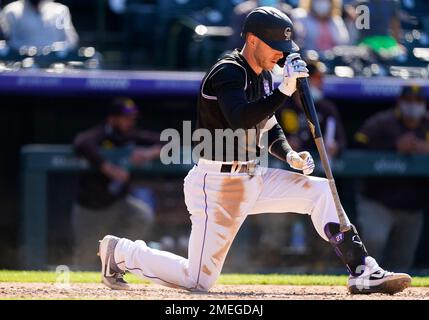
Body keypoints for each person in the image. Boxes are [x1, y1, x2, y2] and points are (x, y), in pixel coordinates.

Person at [98, 7, 411, 294]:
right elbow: (241, 119)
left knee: (320, 191)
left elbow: (268, 124)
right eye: (276, 46)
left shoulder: (263, 74)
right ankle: (121, 252)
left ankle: (361, 270)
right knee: (198, 281)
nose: (281, 54)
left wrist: (288, 154)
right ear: (252, 39)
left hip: (253, 175)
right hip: (217, 185)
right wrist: (284, 91)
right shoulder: (227, 71)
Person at [72, 97, 162, 270]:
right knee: (86, 254)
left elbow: (167, 141)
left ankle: (121, 255)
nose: (130, 121)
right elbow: (81, 142)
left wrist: (148, 153)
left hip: (117, 203)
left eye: (132, 118)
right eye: (125, 117)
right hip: (89, 206)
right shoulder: (100, 135)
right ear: (112, 118)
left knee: (142, 216)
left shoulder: (131, 135)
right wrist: (107, 167)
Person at [354, 84, 429, 271]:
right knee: (372, 248)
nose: (413, 105)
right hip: (379, 201)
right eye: (408, 101)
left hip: (412, 207)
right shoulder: (383, 122)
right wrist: (393, 146)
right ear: (400, 102)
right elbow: (358, 144)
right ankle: (363, 284)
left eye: (418, 101)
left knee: (403, 259)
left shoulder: (426, 124)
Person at [0, 0, 79, 53]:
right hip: (20, 65)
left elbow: (71, 41)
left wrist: (52, 51)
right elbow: (9, 41)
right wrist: (26, 51)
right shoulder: (11, 11)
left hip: (54, 64)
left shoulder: (60, 10)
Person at [227, 0, 293, 51]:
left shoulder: (286, 13)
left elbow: (291, 41)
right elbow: (236, 43)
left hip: (280, 58)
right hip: (250, 58)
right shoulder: (243, 12)